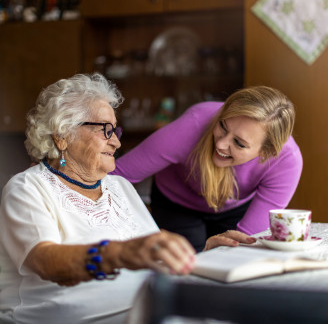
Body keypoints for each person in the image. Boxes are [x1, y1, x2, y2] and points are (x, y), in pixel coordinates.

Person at [0, 73, 253, 324]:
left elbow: (151, 256)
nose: (117, 143)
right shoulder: (28, 188)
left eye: (115, 131)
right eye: (105, 130)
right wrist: (119, 253)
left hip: (145, 313)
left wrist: (202, 255)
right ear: (62, 136)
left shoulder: (119, 187)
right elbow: (46, 261)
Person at [112, 86, 303, 251]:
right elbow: (115, 175)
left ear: (267, 152)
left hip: (235, 208)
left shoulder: (287, 161)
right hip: (177, 203)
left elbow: (246, 242)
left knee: (233, 261)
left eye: (239, 143)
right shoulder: (193, 125)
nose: (221, 144)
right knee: (184, 270)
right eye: (223, 126)